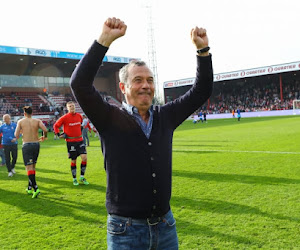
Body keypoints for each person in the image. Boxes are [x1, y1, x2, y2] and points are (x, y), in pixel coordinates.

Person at [70, 17, 213, 249]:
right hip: (125, 230)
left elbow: (201, 91)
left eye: (150, 80)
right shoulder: (109, 117)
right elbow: (79, 84)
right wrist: (104, 40)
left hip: (166, 226)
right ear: (123, 87)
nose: (146, 85)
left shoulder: (166, 116)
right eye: (138, 80)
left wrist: (203, 50)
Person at [53, 101, 89, 186]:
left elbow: (80, 126)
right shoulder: (64, 117)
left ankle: (82, 177)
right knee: (74, 160)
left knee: (84, 158)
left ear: (75, 106)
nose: (72, 107)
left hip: (80, 140)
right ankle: (74, 179)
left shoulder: (79, 116)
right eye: (70, 106)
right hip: (70, 142)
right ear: (67, 108)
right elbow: (56, 126)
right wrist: (58, 134)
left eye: (72, 106)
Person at [15, 106, 48, 198]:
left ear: (24, 113)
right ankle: (29, 188)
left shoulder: (21, 121)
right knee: (33, 167)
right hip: (36, 144)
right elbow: (45, 130)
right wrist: (44, 136)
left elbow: (16, 135)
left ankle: (36, 188)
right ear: (32, 113)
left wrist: (22, 132)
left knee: (29, 168)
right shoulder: (37, 121)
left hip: (27, 145)